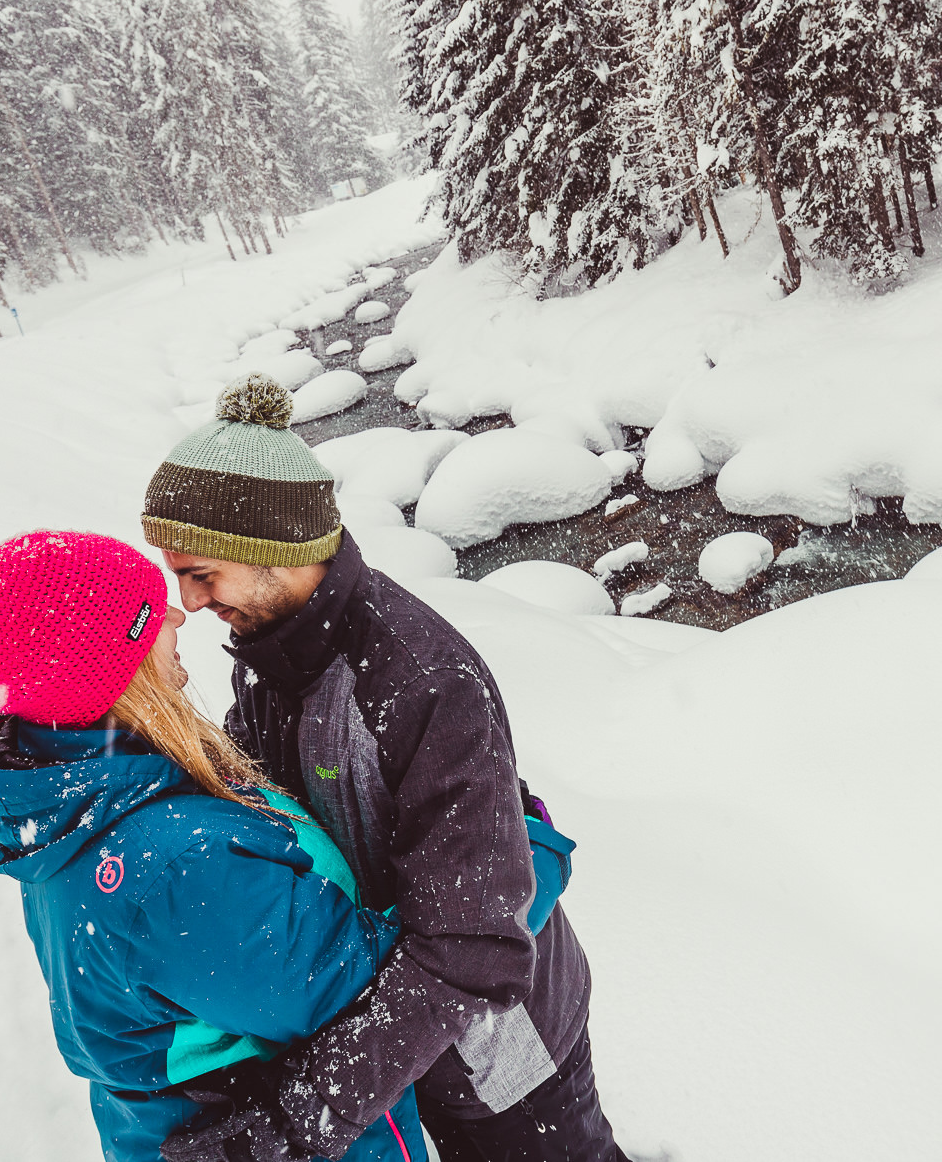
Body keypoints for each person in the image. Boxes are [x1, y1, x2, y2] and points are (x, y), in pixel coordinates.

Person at [138, 374, 626, 1162]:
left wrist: (296, 1118)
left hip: (505, 1050)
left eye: (201, 573)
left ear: (271, 551)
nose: (189, 602)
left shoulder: (419, 682)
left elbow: (473, 947)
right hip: (407, 1040)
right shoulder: (272, 653)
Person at [0, 530, 458, 1162]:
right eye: (148, 612)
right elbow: (382, 985)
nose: (177, 613)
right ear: (111, 673)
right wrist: (509, 854)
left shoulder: (83, 796)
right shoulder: (174, 870)